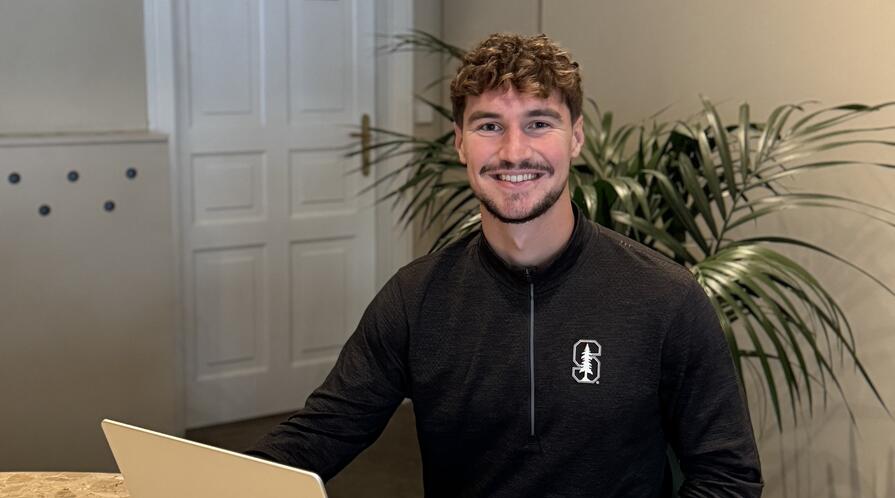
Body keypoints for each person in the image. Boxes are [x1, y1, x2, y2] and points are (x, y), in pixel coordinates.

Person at [247, 33, 763, 497]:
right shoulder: (416, 298)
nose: (514, 152)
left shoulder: (665, 298)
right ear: (459, 143)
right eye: (489, 126)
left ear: (576, 138)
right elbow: (319, 435)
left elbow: (728, 477)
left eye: (539, 124)